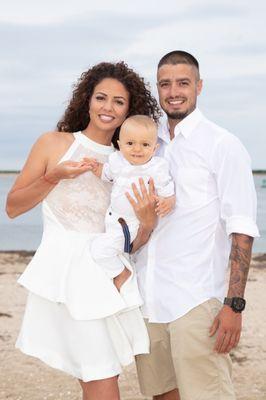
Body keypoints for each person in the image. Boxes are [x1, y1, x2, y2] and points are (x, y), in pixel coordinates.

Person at [6, 61, 160, 400]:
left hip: (108, 273)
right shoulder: (54, 143)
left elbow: (131, 240)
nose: (108, 108)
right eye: (101, 98)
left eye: (118, 102)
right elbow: (14, 207)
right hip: (66, 273)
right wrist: (54, 177)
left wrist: (148, 223)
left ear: (129, 109)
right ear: (86, 100)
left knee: (99, 375)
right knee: (100, 375)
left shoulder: (131, 160)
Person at [134, 51, 259, 400]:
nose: (174, 91)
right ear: (158, 88)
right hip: (149, 298)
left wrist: (233, 305)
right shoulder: (147, 142)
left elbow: (242, 227)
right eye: (165, 83)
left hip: (196, 298)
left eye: (183, 83)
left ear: (199, 87)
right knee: (161, 394)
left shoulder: (222, 144)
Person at [84, 114, 175, 288]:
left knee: (99, 250)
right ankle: (116, 275)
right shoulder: (117, 161)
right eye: (130, 143)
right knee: (105, 248)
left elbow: (167, 189)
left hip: (131, 225)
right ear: (120, 145)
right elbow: (107, 174)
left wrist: (168, 201)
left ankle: (121, 273)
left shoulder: (156, 168)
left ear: (154, 148)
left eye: (145, 144)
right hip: (113, 220)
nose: (137, 150)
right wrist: (96, 168)